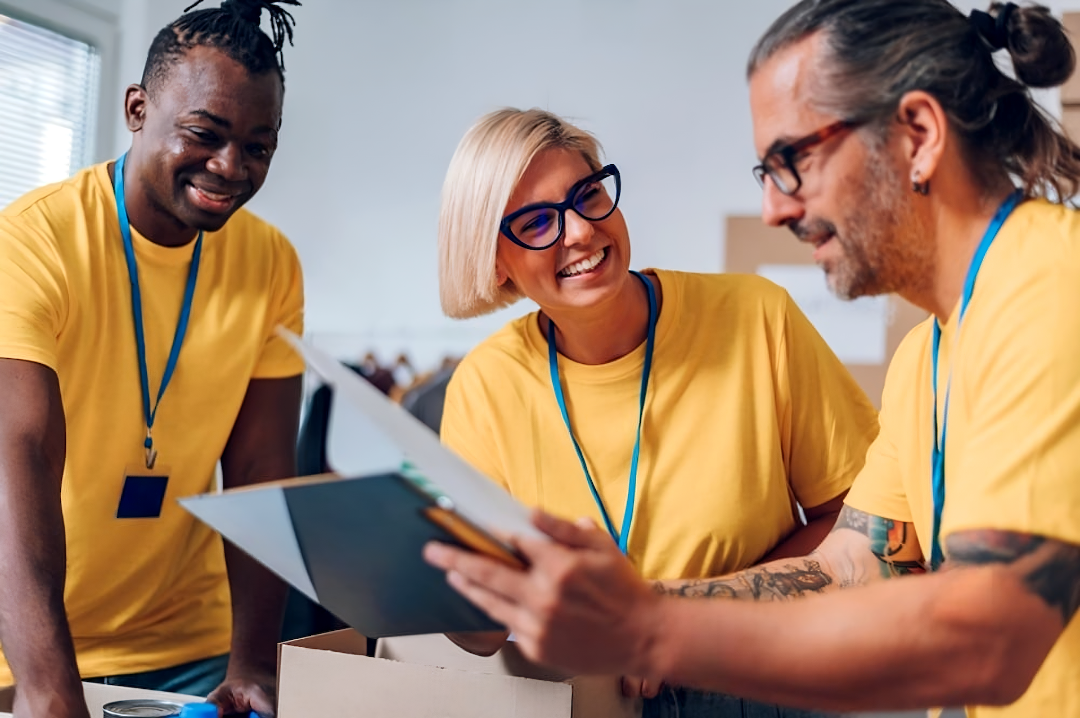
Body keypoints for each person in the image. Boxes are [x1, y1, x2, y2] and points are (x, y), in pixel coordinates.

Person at [423, 2, 1080, 716]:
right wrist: (632, 606)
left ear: (917, 136)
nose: (772, 209)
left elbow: (986, 642)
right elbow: (859, 563)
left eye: (791, 161)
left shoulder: (1051, 288)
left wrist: (652, 631)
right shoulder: (929, 353)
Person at [435, 108, 879, 717]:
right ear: (494, 261)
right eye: (537, 222)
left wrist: (685, 617)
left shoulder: (757, 319)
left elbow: (867, 525)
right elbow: (474, 622)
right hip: (580, 694)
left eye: (588, 196)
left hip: (753, 680)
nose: (580, 233)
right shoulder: (484, 386)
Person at [0, 1, 305, 715]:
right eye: (205, 134)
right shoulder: (32, 241)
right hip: (26, 648)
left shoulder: (271, 262)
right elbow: (21, 451)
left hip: (185, 652)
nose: (231, 167)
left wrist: (254, 662)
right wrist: (47, 689)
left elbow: (260, 473)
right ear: (138, 108)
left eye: (259, 146)